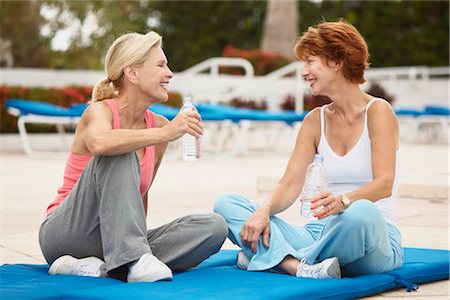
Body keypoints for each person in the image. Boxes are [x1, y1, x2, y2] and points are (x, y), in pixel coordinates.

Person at [214, 20, 404, 279]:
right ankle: (298, 266)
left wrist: (343, 201)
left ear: (336, 61)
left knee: (361, 212)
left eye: (310, 61)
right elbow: (290, 183)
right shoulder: (315, 120)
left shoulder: (378, 111)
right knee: (227, 205)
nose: (304, 71)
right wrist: (264, 210)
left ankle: (273, 259)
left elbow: (384, 184)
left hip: (372, 236)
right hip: (320, 232)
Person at [39, 31, 228, 283]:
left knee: (213, 227)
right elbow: (99, 142)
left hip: (113, 240)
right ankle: (131, 259)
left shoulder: (157, 126)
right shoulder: (100, 112)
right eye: (161, 65)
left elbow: (140, 198)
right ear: (132, 73)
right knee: (119, 149)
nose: (169, 73)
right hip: (67, 233)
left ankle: (109, 266)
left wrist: (162, 133)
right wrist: (165, 133)